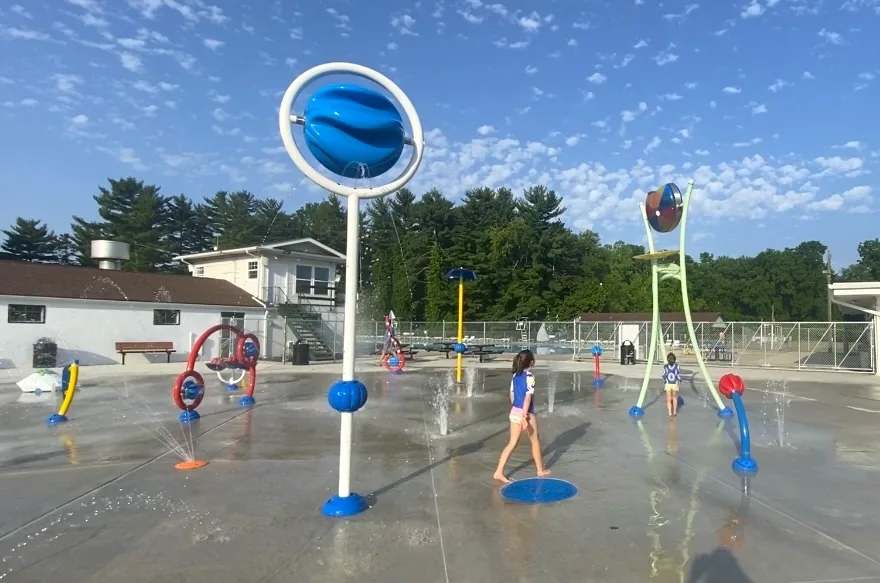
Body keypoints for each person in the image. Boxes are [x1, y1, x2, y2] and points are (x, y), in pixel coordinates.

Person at [493, 349, 551, 483]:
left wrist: (516, 409)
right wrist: (525, 417)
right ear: (531, 362)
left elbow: (512, 395)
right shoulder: (530, 377)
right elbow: (527, 398)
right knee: (535, 439)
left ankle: (498, 472)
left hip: (514, 411)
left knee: (512, 443)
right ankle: (540, 470)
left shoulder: (515, 376)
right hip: (526, 413)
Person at [663, 352, 682, 417]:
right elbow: (678, 375)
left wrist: (664, 381)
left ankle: (670, 413)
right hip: (674, 384)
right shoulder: (677, 366)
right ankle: (674, 412)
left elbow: (664, 375)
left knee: (668, 400)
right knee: (674, 397)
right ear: (674, 359)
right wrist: (680, 380)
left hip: (668, 384)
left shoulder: (665, 366)